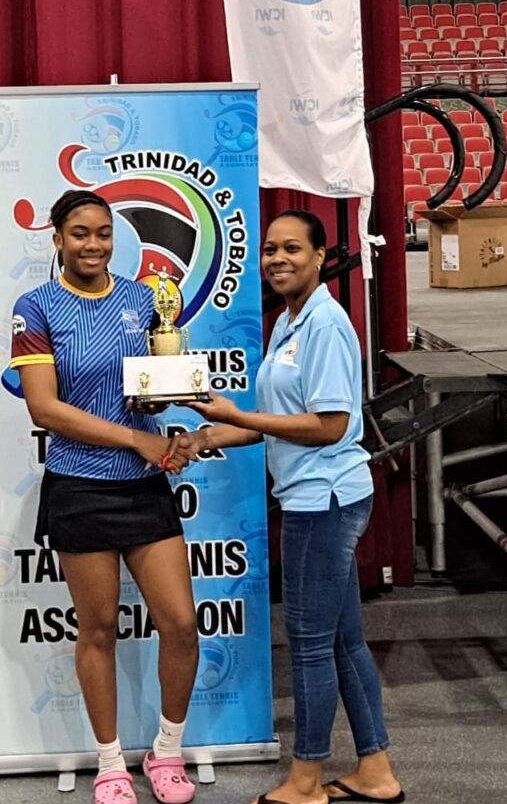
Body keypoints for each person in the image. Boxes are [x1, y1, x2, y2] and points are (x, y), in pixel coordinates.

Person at [173, 210, 404, 804]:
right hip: (323, 498)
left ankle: (306, 780)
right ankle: (376, 771)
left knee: (308, 643)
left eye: (292, 249)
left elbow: (329, 426)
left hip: (322, 503)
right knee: (341, 640)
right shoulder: (290, 322)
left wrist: (239, 415)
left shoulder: (326, 324)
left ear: (322, 256)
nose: (277, 259)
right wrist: (205, 438)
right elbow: (277, 423)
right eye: (270, 249)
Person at [10, 189, 198, 804]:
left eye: (104, 233)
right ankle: (111, 762)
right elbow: (45, 407)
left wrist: (163, 396)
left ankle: (166, 754)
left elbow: (153, 389)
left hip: (145, 488)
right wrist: (137, 441)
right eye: (80, 233)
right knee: (97, 630)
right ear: (57, 239)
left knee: (181, 623)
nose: (94, 244)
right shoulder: (35, 307)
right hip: (81, 486)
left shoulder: (144, 301)